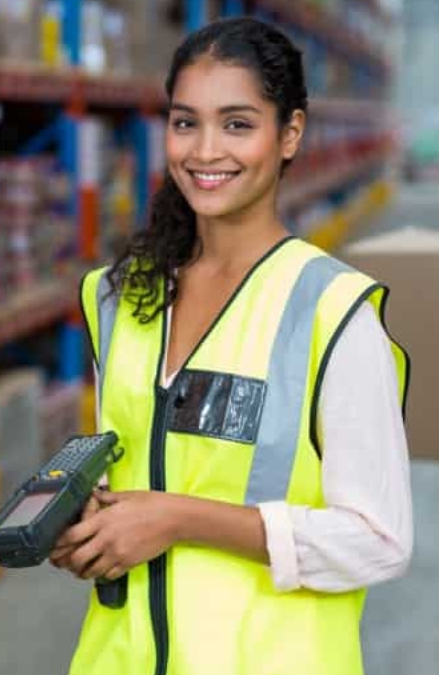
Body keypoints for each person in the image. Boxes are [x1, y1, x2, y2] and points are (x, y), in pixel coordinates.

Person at [51, 17, 413, 675]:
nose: (205, 149)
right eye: (185, 122)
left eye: (238, 124)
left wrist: (178, 519)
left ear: (290, 135)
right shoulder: (120, 298)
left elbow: (378, 540)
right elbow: (139, 470)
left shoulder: (332, 313)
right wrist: (92, 526)